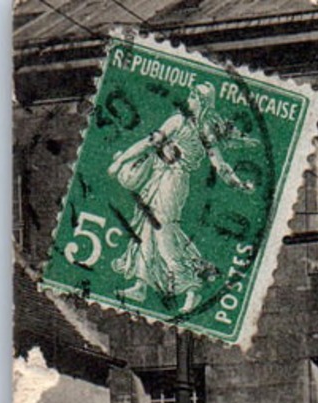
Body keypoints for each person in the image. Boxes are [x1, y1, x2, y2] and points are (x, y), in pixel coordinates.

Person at [108, 82, 258, 315]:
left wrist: (119, 161)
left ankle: (192, 286)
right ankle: (141, 285)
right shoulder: (196, 127)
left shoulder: (182, 123)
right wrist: (239, 183)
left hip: (172, 181)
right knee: (147, 230)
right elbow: (220, 165)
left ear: (200, 100)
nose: (189, 98)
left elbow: (219, 164)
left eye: (193, 95)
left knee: (163, 232)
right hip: (163, 178)